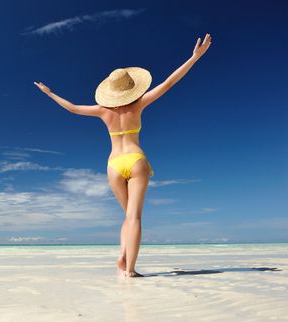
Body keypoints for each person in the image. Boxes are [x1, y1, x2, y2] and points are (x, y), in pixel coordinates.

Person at [34, 33, 212, 278]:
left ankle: (122, 258)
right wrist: (193, 58)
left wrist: (50, 93)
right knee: (135, 218)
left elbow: (73, 108)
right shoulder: (138, 105)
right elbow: (169, 83)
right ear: (131, 88)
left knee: (127, 216)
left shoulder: (102, 111)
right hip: (135, 160)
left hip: (114, 165)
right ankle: (130, 270)